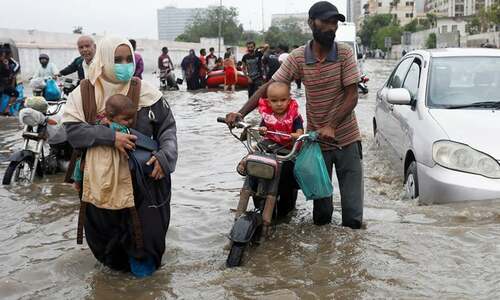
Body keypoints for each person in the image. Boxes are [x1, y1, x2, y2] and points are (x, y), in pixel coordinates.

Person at [226, 1, 363, 229]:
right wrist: (239, 113)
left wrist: (331, 125)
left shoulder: (345, 54)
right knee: (321, 216)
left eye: (334, 23)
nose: (331, 27)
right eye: (326, 22)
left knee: (353, 217)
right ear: (311, 23)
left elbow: (352, 96)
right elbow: (270, 87)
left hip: (347, 140)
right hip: (316, 144)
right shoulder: (299, 57)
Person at [63, 36, 177, 276]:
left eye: (128, 58)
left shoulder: (148, 93)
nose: (125, 64)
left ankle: (145, 286)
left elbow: (167, 129)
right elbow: (73, 132)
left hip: (145, 184)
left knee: (147, 242)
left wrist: (165, 157)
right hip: (100, 182)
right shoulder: (84, 93)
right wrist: (111, 137)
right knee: (108, 248)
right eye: (117, 59)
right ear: (103, 59)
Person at [237, 82, 304, 233]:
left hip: (287, 151)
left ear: (289, 99)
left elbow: (300, 132)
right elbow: (263, 129)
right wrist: (262, 130)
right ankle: (244, 164)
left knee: (288, 176)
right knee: (255, 154)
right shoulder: (267, 115)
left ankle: (284, 214)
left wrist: (297, 135)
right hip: (269, 147)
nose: (279, 104)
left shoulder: (295, 116)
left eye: (283, 100)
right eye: (274, 101)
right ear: (268, 102)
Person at [71, 94, 136, 191]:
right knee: (80, 164)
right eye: (126, 119)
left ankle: (77, 183)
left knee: (80, 164)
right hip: (105, 160)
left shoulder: (115, 126)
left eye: (132, 118)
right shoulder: (119, 127)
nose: (130, 121)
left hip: (105, 161)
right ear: (111, 116)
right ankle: (78, 183)